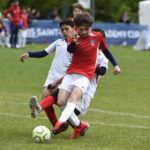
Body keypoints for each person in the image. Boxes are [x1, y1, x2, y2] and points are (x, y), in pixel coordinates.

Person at [28, 28, 109, 139]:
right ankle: (39, 108)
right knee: (56, 96)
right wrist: (57, 82)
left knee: (68, 110)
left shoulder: (102, 56)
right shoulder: (82, 50)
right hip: (73, 80)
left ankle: (80, 126)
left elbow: (103, 70)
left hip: (86, 91)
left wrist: (88, 67)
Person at [52, 12, 120, 138]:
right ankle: (79, 125)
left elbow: (106, 51)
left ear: (91, 26)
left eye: (86, 29)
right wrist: (73, 41)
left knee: (74, 98)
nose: (83, 32)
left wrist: (115, 65)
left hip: (86, 75)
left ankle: (60, 123)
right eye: (81, 29)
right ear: (77, 27)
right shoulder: (73, 36)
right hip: (72, 72)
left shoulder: (97, 36)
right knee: (61, 102)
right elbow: (70, 51)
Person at [20, 19, 74, 127]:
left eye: (66, 29)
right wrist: (29, 54)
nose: (64, 31)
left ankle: (77, 125)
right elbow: (43, 53)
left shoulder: (77, 45)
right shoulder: (58, 42)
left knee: (61, 103)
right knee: (45, 100)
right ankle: (57, 126)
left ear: (73, 29)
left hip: (66, 78)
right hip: (52, 76)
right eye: (62, 29)